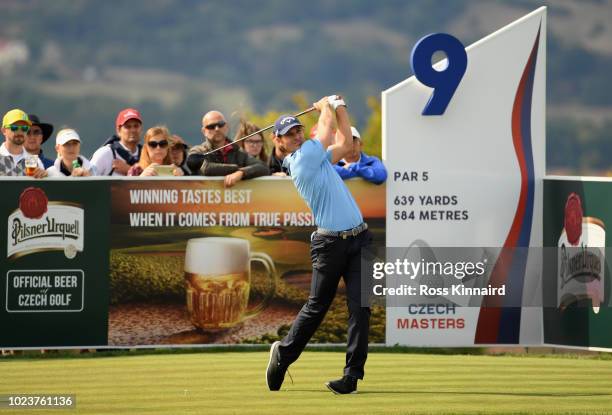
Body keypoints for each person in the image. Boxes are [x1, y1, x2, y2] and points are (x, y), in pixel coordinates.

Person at [266, 95, 372, 395]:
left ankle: (351, 377)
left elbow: (347, 144)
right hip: (330, 245)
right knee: (317, 307)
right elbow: (324, 128)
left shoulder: (315, 155)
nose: (297, 135)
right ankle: (283, 355)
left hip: (360, 239)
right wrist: (325, 104)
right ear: (280, 141)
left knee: (361, 308)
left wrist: (340, 107)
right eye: (290, 134)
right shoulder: (302, 160)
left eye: (299, 130)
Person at [186, 110, 268, 187]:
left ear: (226, 126)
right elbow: (206, 169)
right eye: (211, 126)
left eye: (220, 124)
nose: (217, 129)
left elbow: (263, 167)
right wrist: (237, 169)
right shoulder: (198, 151)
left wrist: (241, 173)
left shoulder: (238, 152)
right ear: (204, 131)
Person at [90, 108, 143, 176]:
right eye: (128, 127)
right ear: (118, 130)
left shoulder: (148, 153)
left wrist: (128, 170)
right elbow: (88, 180)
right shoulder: (106, 153)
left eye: (136, 126)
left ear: (141, 128)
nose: (133, 130)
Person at [0, 108, 46, 177]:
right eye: (14, 127)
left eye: (24, 128)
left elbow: (40, 187)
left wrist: (44, 177)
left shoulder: (34, 161)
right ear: (4, 131)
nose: (20, 131)